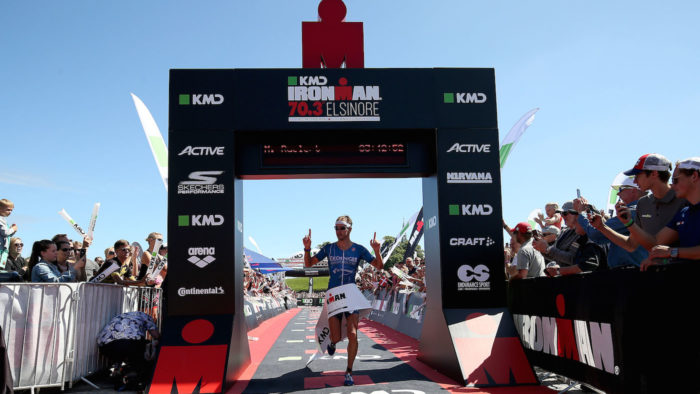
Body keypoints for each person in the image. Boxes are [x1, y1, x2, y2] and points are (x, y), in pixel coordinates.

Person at [303, 215, 383, 386]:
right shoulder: (329, 248)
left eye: (342, 228)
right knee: (337, 337)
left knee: (353, 334)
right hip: (333, 294)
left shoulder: (359, 249)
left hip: (350, 293)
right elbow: (309, 264)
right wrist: (307, 248)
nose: (339, 231)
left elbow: (379, 266)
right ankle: (332, 342)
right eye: (336, 228)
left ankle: (349, 371)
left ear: (349, 229)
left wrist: (377, 250)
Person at [594, 154, 686, 254]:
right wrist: (602, 227)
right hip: (654, 267)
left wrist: (629, 223)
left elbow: (656, 244)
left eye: (638, 175)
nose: (634, 180)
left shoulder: (683, 199)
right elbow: (631, 245)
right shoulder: (643, 203)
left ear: (654, 174)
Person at [638, 158, 700, 270]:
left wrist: (671, 252)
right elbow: (655, 242)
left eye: (676, 180)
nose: (672, 185)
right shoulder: (684, 213)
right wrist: (662, 261)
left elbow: (671, 252)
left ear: (694, 176)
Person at [580, 177, 648, 268]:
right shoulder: (645, 209)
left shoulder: (631, 212)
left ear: (634, 190)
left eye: (621, 189)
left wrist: (581, 213)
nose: (618, 194)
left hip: (629, 272)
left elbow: (596, 234)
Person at [97, 311, 160, 390]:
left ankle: (119, 372)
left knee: (129, 349)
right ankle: (137, 377)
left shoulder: (123, 315)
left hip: (105, 346)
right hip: (128, 344)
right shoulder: (147, 317)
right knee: (146, 347)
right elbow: (156, 335)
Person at [533, 202, 586, 266]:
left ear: (576, 214)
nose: (562, 216)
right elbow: (554, 257)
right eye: (561, 213)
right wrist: (542, 248)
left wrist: (548, 249)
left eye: (565, 213)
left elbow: (572, 259)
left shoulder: (582, 233)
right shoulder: (564, 232)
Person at [0, 199, 18, 271]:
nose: (10, 212)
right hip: (1, 249)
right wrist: (13, 229)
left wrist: (12, 230)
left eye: (11, 210)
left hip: (4, 250)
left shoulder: (3, 220)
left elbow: (7, 235)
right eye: (8, 210)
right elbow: (5, 233)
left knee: (2, 266)